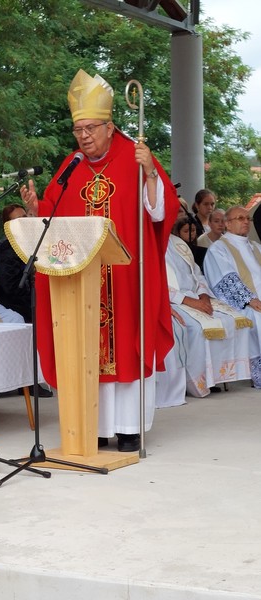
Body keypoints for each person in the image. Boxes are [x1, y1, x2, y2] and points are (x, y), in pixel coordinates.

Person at [20, 68, 180, 451]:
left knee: (125, 346)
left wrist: (151, 178)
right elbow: (53, 214)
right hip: (83, 282)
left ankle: (128, 428)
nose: (84, 137)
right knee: (85, 346)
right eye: (79, 130)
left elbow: (161, 214)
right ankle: (93, 425)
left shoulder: (136, 156)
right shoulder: (71, 165)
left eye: (91, 128)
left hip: (124, 279)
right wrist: (33, 208)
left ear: (110, 127)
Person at [166, 232, 252, 397]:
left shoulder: (178, 242)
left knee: (233, 320)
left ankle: (217, 377)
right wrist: (189, 301)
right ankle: (198, 383)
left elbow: (197, 274)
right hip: (173, 301)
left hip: (196, 295)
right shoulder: (147, 244)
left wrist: (204, 295)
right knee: (198, 329)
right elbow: (152, 283)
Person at [0, 203, 53, 398]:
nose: (24, 222)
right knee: (31, 322)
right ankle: (29, 380)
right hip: (11, 302)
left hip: (32, 298)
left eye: (25, 217)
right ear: (8, 226)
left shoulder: (35, 242)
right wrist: (38, 301)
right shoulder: (7, 251)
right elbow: (12, 288)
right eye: (18, 220)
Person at [204, 205, 261, 387]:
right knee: (257, 317)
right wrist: (249, 299)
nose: (246, 222)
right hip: (240, 303)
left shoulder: (256, 247)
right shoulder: (218, 249)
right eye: (240, 218)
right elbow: (223, 279)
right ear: (227, 224)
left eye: (247, 219)